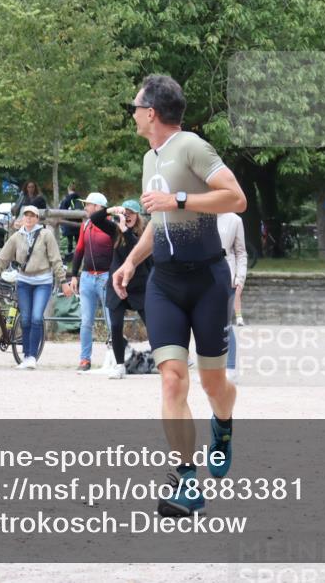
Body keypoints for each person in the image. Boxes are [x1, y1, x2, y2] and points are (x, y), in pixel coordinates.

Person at [111, 74, 246, 517]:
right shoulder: (151, 158)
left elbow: (236, 198)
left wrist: (182, 200)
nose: (131, 114)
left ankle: (222, 425)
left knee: (212, 383)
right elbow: (159, 219)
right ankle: (187, 481)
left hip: (207, 281)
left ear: (151, 112)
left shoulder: (191, 146)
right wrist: (131, 261)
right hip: (164, 283)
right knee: (171, 377)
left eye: (135, 107)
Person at [66, 199, 151, 379]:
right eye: (125, 213)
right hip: (116, 284)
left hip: (138, 285)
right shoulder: (115, 230)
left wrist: (126, 230)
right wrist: (111, 210)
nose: (127, 217)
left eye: (131, 214)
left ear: (138, 215)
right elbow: (95, 219)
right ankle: (119, 365)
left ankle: (166, 360)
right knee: (116, 325)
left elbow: (136, 249)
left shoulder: (144, 233)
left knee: (152, 324)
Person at [0, 206, 66, 369]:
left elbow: (56, 260)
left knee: (36, 317)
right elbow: (1, 260)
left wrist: (63, 281)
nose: (29, 218)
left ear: (37, 218)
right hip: (24, 281)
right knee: (25, 319)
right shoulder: (16, 237)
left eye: (32, 216)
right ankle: (26, 356)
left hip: (43, 281)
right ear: (22, 218)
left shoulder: (46, 235)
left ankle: (32, 356)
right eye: (26, 215)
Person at [66, 192, 113, 373]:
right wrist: (74, 275)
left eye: (88, 204)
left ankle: (114, 356)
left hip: (106, 276)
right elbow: (79, 250)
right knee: (86, 321)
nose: (85, 207)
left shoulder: (111, 225)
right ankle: (85, 359)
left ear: (98, 207)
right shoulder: (85, 225)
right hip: (87, 277)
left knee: (111, 320)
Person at [218, 212, 248, 382]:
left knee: (225, 323)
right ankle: (211, 368)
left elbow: (241, 252)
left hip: (225, 275)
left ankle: (230, 367)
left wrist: (240, 277)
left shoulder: (234, 220)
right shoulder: (198, 215)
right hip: (201, 276)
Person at [58, 183, 82, 255]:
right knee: (78, 241)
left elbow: (61, 210)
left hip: (68, 223)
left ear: (68, 189)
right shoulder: (79, 199)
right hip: (78, 223)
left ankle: (70, 255)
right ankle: (79, 255)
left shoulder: (66, 199)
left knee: (70, 241)